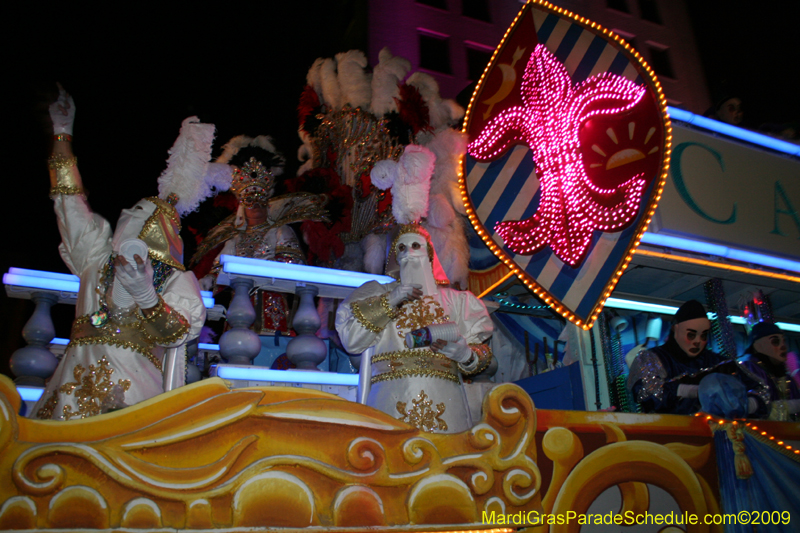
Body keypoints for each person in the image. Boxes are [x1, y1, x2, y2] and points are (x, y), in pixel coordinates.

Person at [33, 86, 207, 420]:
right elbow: (68, 198)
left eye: (142, 216)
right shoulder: (96, 259)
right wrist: (61, 134)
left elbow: (179, 334)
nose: (133, 217)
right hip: (69, 398)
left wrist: (146, 295)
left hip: (133, 402)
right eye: (135, 212)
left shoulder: (176, 279)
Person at [335, 223, 493, 433]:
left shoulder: (457, 302)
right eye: (401, 248)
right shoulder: (375, 294)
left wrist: (467, 355)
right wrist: (390, 301)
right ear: (394, 256)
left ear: (428, 253)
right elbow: (352, 340)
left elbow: (483, 353)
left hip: (447, 404)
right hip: (389, 402)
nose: (409, 252)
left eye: (415, 245)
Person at [189, 136, 328, 364]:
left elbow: (295, 265)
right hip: (239, 311)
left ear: (267, 203)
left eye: (259, 202)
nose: (254, 207)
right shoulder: (235, 239)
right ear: (242, 206)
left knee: (269, 359)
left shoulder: (280, 231)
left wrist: (263, 267)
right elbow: (218, 270)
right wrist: (207, 282)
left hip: (272, 307)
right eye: (249, 202)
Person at [627, 299, 759, 416]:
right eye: (691, 335)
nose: (697, 342)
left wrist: (747, 405)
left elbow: (762, 392)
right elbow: (647, 393)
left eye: (703, 336)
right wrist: (690, 391)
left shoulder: (722, 363)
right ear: (676, 330)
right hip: (672, 436)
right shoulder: (652, 358)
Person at [738, 322, 800, 421]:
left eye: (784, 341)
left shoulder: (786, 378)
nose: (783, 346)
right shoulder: (748, 369)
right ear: (758, 346)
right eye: (776, 342)